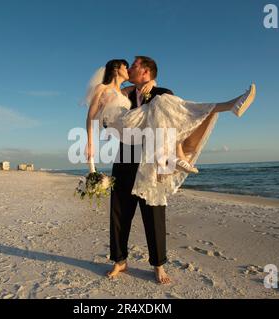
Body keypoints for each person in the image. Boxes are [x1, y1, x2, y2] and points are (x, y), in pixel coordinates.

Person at [85, 56, 256, 284]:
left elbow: (179, 121)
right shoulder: (123, 92)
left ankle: (158, 265)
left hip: (152, 158)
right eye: (129, 66)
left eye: (134, 65)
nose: (131, 68)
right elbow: (109, 95)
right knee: (119, 210)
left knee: (153, 212)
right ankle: (120, 260)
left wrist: (153, 88)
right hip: (126, 155)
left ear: (146, 71)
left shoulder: (162, 93)